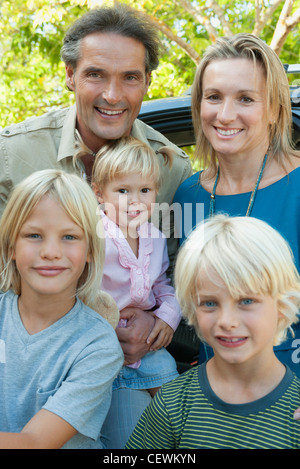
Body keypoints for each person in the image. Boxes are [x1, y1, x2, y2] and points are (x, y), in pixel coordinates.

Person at [0, 3, 192, 442]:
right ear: (70, 74)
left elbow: (182, 273)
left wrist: (156, 321)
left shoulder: (172, 168)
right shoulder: (12, 155)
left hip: (129, 358)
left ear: (147, 81)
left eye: (130, 77)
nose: (112, 94)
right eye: (95, 74)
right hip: (30, 359)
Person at [173, 33, 300, 376]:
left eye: (245, 98)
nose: (225, 115)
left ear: (274, 109)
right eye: (214, 97)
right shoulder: (187, 196)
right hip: (216, 401)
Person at [126, 215, 300, 449]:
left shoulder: (295, 412)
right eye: (209, 303)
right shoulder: (173, 404)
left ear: (282, 304)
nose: (227, 321)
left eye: (246, 300)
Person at [0, 169, 123, 449]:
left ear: (91, 249)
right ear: (11, 246)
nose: (51, 252)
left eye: (69, 237)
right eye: (34, 235)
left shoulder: (98, 346)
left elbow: (34, 444)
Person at [84, 135, 181, 448]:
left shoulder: (153, 236)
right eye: (122, 190)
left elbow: (163, 284)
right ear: (99, 193)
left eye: (145, 190)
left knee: (179, 418)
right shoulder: (94, 237)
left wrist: (167, 317)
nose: (135, 201)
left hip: (150, 348)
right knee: (129, 440)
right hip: (106, 355)